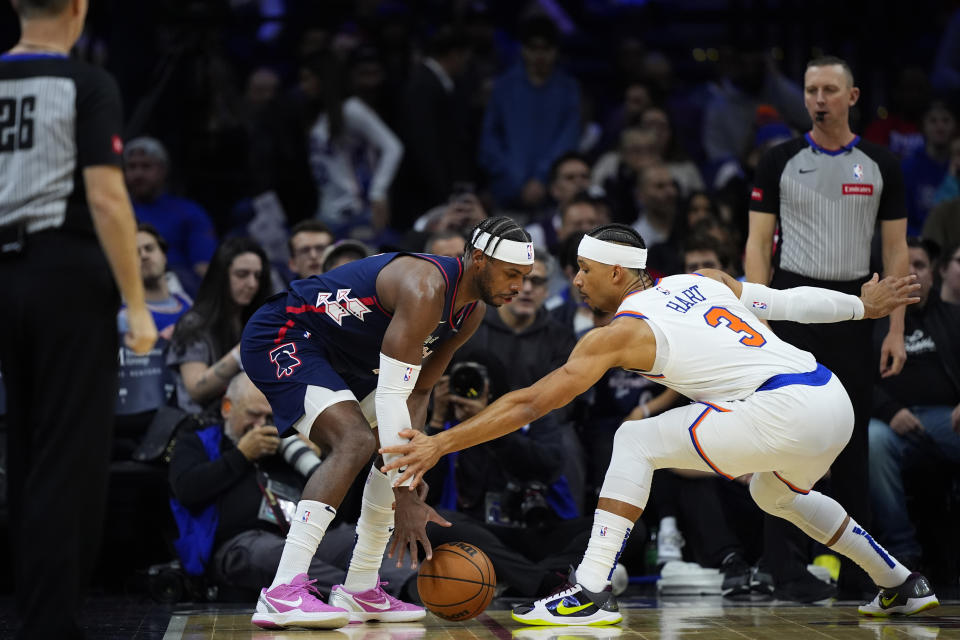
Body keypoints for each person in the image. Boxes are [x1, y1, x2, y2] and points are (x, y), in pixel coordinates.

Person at [382, 224, 938, 624]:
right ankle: (899, 581)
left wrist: (440, 442)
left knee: (634, 437)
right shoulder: (708, 280)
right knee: (775, 494)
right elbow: (786, 301)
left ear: (618, 274)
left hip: (779, 409)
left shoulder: (621, 333)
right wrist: (859, 308)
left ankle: (590, 589)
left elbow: (530, 404)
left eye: (586, 271)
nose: (576, 282)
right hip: (827, 396)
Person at [239, 216, 534, 629]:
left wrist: (410, 467)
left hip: (351, 362)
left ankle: (360, 587)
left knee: (393, 453)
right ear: (480, 261)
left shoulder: (471, 312)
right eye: (512, 274)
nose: (520, 286)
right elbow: (394, 394)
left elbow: (419, 391)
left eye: (526, 277)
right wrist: (407, 497)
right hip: (287, 334)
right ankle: (282, 591)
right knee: (357, 443)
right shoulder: (426, 286)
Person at [0, 1, 158, 637]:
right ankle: (51, 625)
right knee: (69, 458)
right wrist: (138, 303)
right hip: (63, 275)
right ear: (78, 7)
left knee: (22, 448)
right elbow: (105, 196)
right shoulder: (85, 83)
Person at [744, 56, 910, 600]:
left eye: (830, 90)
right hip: (791, 307)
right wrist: (758, 318)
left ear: (852, 96)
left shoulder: (881, 162)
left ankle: (859, 572)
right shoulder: (779, 160)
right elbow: (756, 245)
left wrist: (895, 330)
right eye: (812, 89)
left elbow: (895, 252)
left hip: (857, 306)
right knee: (782, 440)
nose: (818, 98)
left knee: (852, 443)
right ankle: (782, 568)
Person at [168, 373, 416, 598]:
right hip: (237, 546)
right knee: (271, 553)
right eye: (254, 415)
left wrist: (327, 461)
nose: (261, 426)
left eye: (270, 417)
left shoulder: (287, 447)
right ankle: (362, 595)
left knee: (362, 537)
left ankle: (415, 587)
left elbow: (343, 511)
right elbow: (186, 490)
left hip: (304, 537)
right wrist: (241, 455)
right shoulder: (197, 440)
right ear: (227, 408)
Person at [868, 238, 960, 567]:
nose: (909, 272)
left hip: (947, 418)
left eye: (918, 265)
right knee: (872, 441)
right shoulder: (869, 322)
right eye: (901, 266)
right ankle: (903, 548)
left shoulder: (953, 316)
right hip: (888, 423)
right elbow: (856, 379)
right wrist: (890, 412)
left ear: (933, 275)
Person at [478, 15, 580, 210]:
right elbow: (489, 139)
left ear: (556, 51)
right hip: (506, 194)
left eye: (546, 49)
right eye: (533, 48)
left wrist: (542, 178)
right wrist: (515, 179)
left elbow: (568, 139)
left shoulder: (569, 89)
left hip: (553, 194)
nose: (539, 55)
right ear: (523, 49)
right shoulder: (503, 86)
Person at [168, 238, 271, 415]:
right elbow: (195, 389)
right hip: (200, 426)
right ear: (221, 276)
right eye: (242, 274)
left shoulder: (256, 320)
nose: (252, 284)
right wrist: (242, 351)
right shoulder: (194, 323)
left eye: (257, 276)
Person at [123, 136, 218, 287]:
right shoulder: (115, 213)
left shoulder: (189, 212)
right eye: (132, 167)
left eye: (146, 166)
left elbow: (205, 270)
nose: (138, 174)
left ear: (163, 170)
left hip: (177, 295)